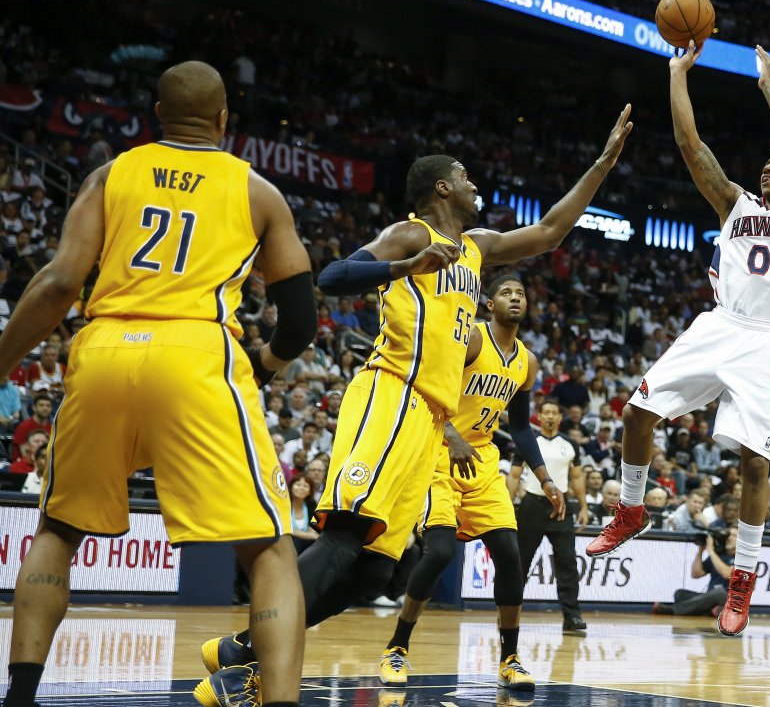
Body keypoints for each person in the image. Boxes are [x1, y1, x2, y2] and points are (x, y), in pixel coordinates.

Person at [202, 108, 633, 694]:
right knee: (345, 536)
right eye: (466, 175)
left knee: (378, 568)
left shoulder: (477, 248)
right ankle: (256, 651)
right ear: (442, 188)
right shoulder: (414, 235)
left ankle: (246, 657)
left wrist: (603, 163)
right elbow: (329, 278)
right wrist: (404, 266)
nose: (476, 184)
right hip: (390, 394)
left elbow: (552, 230)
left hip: (428, 420)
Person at [0, 61, 317, 707]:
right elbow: (302, 318)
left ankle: (19, 696)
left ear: (156, 114)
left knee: (58, 528)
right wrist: (264, 364)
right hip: (198, 352)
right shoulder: (257, 191)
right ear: (225, 120)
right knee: (269, 547)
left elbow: (59, 283)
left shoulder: (110, 173)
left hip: (107, 345)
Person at [587, 43, 770, 639]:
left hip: (767, 341)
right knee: (636, 411)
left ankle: (743, 578)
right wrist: (676, 75)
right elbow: (690, 146)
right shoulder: (734, 202)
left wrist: (768, 85)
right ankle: (632, 507)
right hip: (719, 322)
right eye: (767, 164)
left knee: (754, 464)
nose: (769, 168)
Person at [378, 275, 563, 690]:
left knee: (509, 551)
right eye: (506, 293)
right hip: (437, 454)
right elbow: (422, 388)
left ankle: (510, 659)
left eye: (521, 292)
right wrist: (449, 432)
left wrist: (545, 478)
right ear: (488, 303)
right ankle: (397, 646)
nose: (515, 297)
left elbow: (519, 427)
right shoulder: (472, 342)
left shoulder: (526, 363)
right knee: (440, 551)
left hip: (480, 461)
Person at [508, 399, 590, 636]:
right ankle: (511, 611)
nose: (551, 417)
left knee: (567, 563)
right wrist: (506, 503)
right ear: (539, 417)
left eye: (555, 413)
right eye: (546, 413)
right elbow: (514, 476)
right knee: (520, 562)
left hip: (562, 505)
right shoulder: (528, 441)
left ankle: (572, 616)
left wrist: (583, 507)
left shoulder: (570, 443)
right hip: (532, 504)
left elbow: (576, 478)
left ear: (560, 418)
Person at [653, 528, 737, 616]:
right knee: (680, 594)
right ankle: (713, 611)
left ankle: (673, 610)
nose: (729, 538)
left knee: (718, 592)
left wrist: (711, 551)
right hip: (710, 597)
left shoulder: (742, 558)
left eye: (734, 536)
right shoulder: (719, 555)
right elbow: (696, 574)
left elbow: (726, 574)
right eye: (728, 535)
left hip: (730, 599)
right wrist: (700, 551)